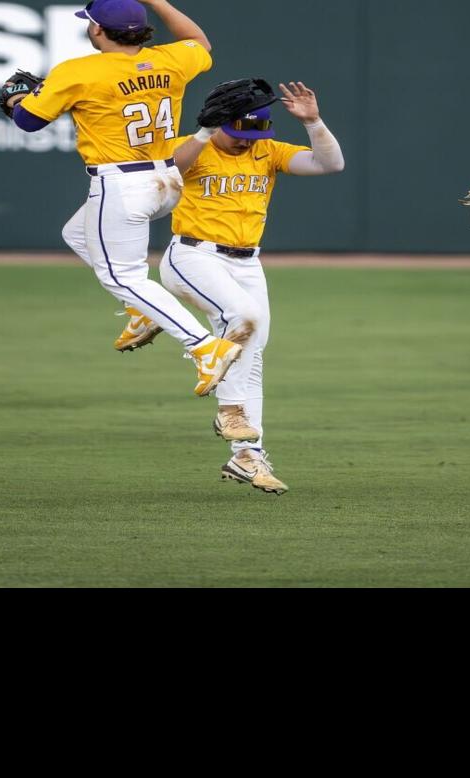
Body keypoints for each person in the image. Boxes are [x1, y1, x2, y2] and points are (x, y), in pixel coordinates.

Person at [0, 0, 243, 398]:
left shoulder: (78, 71)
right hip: (165, 178)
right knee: (77, 233)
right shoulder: (170, 59)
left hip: (123, 185)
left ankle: (204, 347)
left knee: (122, 276)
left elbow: (28, 121)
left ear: (98, 31)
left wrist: (16, 100)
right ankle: (142, 312)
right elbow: (199, 41)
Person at [157, 82, 345, 494]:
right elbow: (166, 171)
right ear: (218, 123)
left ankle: (247, 455)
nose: (246, 143)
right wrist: (204, 132)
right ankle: (227, 407)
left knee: (251, 351)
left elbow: (329, 164)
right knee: (244, 318)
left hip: (246, 262)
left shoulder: (267, 150)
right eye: (238, 134)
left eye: (253, 135)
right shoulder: (196, 146)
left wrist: (313, 122)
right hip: (192, 255)